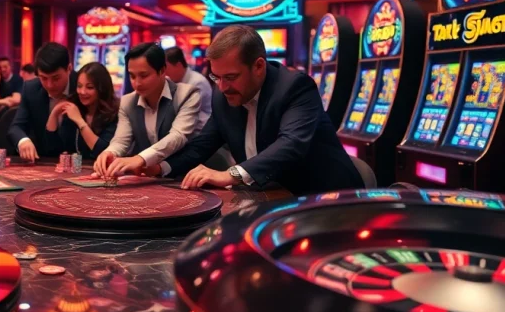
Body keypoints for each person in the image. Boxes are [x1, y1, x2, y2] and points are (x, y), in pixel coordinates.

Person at [166, 25, 363, 195]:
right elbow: (202, 145)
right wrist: (160, 167)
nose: (222, 87)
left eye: (231, 77)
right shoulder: (223, 95)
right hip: (270, 198)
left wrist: (230, 174)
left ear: (259, 66)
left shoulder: (295, 87)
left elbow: (291, 144)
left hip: (327, 199)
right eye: (216, 77)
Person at [93, 42, 201, 178]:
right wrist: (109, 153)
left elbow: (178, 136)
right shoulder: (127, 101)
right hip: (146, 179)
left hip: (183, 176)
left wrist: (140, 158)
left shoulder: (186, 94)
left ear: (162, 71)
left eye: (144, 76)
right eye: (132, 76)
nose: (137, 83)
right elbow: (121, 141)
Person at [9, 42, 77, 161]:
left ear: (69, 69)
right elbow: (16, 128)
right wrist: (23, 141)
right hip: (44, 160)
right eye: (44, 78)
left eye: (56, 78)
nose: (50, 85)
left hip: (80, 161)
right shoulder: (31, 89)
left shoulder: (82, 87)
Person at [45, 61, 118, 161]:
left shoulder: (114, 114)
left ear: (101, 89)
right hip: (77, 168)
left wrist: (79, 121)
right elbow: (53, 150)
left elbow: (103, 151)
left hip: (103, 168)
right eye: (79, 86)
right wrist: (54, 114)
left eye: (89, 87)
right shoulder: (74, 107)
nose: (82, 92)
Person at [165, 46, 213, 128]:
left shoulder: (197, 82)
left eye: (166, 68)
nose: (165, 73)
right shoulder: (172, 81)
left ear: (178, 65)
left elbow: (183, 113)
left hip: (201, 130)